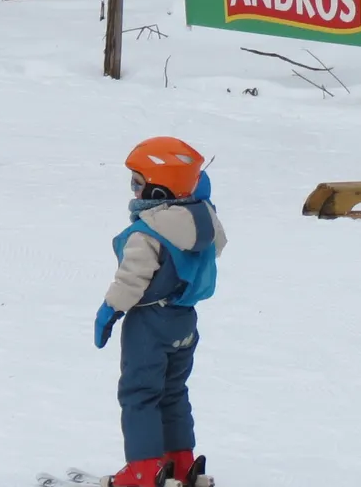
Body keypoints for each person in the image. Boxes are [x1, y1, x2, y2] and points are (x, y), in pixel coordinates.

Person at [95, 138, 226, 487]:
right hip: (185, 321)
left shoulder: (148, 232)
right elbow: (218, 244)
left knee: (140, 392)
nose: (135, 190)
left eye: (139, 182)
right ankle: (180, 461)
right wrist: (200, 202)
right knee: (173, 391)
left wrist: (110, 309)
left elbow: (132, 278)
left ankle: (144, 468)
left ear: (158, 189)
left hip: (150, 323)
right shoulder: (204, 222)